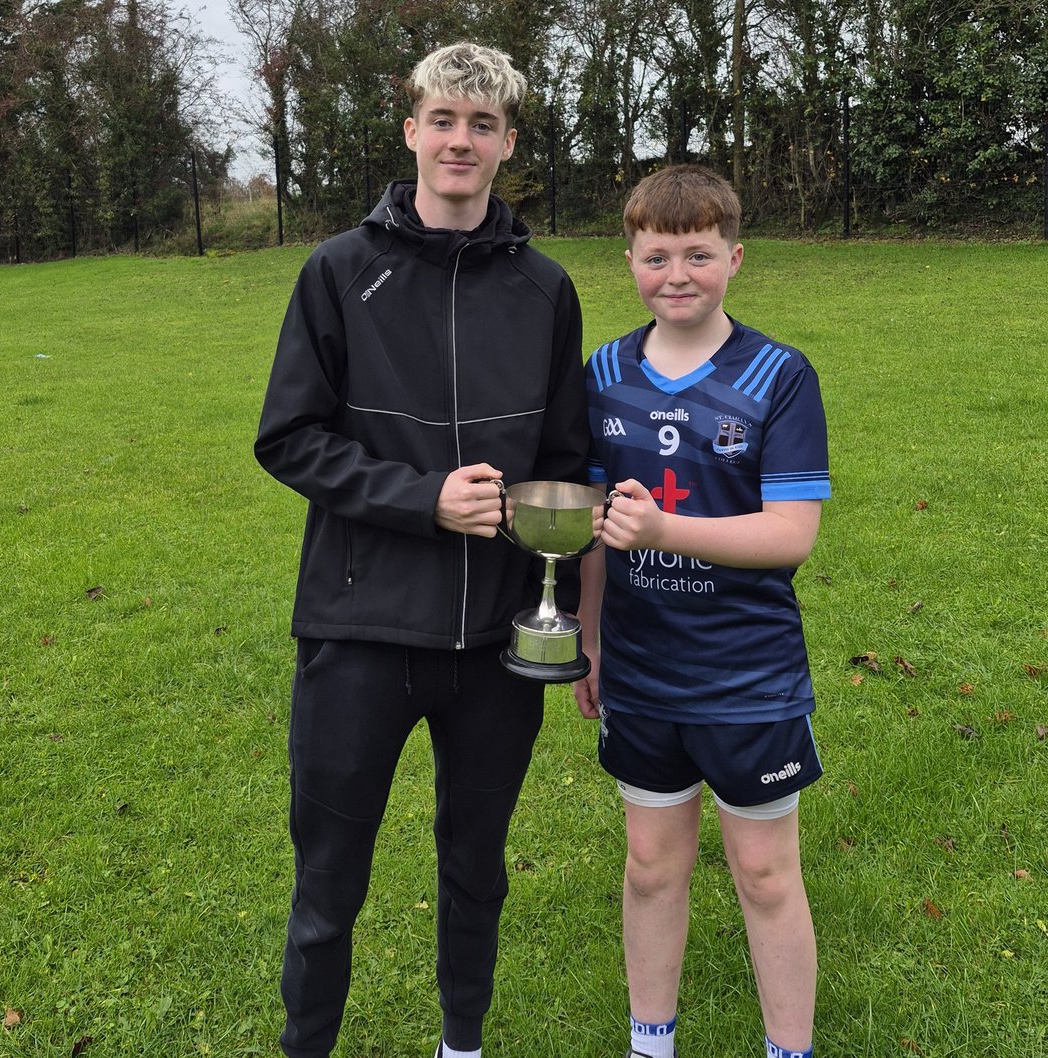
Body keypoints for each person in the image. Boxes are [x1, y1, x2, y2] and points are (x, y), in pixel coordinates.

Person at [254, 42, 589, 1058]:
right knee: (329, 876)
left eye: (482, 126)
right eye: (443, 119)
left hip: (496, 640)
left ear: (507, 146)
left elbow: (564, 459)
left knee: (476, 864)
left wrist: (566, 610)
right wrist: (419, 499)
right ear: (412, 132)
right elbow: (288, 436)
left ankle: (462, 1042)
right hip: (358, 629)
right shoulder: (337, 272)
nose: (460, 140)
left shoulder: (547, 288)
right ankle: (306, 1043)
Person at [573, 165, 830, 1058]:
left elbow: (792, 534)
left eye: (698, 254)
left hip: (749, 676)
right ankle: (652, 1043)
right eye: (656, 256)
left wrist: (665, 529)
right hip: (642, 674)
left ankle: (787, 1049)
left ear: (736, 258)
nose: (676, 274)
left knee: (763, 873)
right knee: (650, 865)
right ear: (630, 260)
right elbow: (601, 534)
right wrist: (592, 643)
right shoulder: (602, 373)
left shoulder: (779, 376)